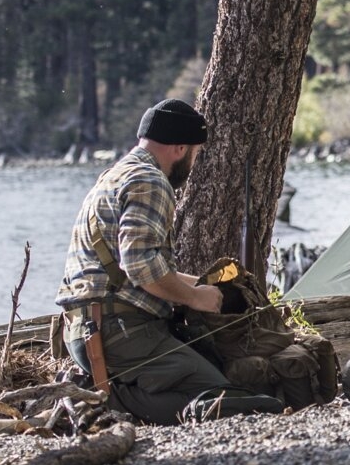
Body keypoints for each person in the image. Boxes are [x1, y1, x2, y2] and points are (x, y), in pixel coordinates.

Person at [55, 99, 286, 424]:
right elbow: (140, 268)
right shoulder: (151, 182)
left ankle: (98, 388)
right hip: (119, 334)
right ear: (180, 148)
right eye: (195, 153)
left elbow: (131, 269)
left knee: (211, 381)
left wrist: (202, 283)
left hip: (83, 330)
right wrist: (196, 298)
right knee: (228, 399)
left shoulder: (112, 177)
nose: (194, 162)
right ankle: (107, 398)